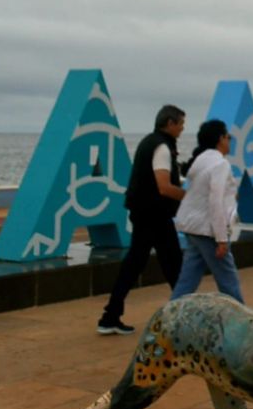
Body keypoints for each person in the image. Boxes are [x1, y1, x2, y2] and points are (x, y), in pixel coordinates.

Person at [98, 104, 187, 335]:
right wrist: (192, 196)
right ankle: (186, 318)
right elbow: (164, 187)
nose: (182, 128)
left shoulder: (149, 142)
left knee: (137, 264)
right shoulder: (162, 148)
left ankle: (110, 317)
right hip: (155, 215)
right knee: (174, 266)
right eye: (181, 123)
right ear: (170, 123)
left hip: (144, 213)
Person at [170, 119, 245, 303]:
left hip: (193, 227)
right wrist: (221, 238)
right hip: (208, 230)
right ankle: (243, 323)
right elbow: (215, 201)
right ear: (220, 139)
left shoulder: (201, 160)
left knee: (187, 281)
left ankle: (169, 319)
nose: (229, 141)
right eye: (228, 137)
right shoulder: (220, 164)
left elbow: (205, 194)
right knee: (229, 281)